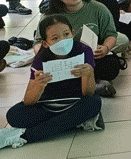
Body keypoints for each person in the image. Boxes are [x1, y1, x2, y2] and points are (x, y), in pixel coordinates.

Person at [1, 15, 103, 149]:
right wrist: (39, 86)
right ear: (45, 43)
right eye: (55, 38)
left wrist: (88, 74)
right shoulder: (41, 58)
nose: (63, 40)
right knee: (14, 115)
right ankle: (74, 122)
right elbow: (28, 101)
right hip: (48, 106)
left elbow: (88, 92)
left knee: (93, 102)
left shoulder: (84, 50)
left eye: (66, 34)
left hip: (76, 102)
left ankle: (26, 136)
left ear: (73, 33)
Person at [37, 0, 125, 97]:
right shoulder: (49, 16)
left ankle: (81, 83)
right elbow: (38, 43)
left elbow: (111, 34)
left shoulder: (98, 8)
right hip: (61, 60)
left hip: (90, 58)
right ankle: (92, 86)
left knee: (111, 66)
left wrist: (105, 48)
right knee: (44, 70)